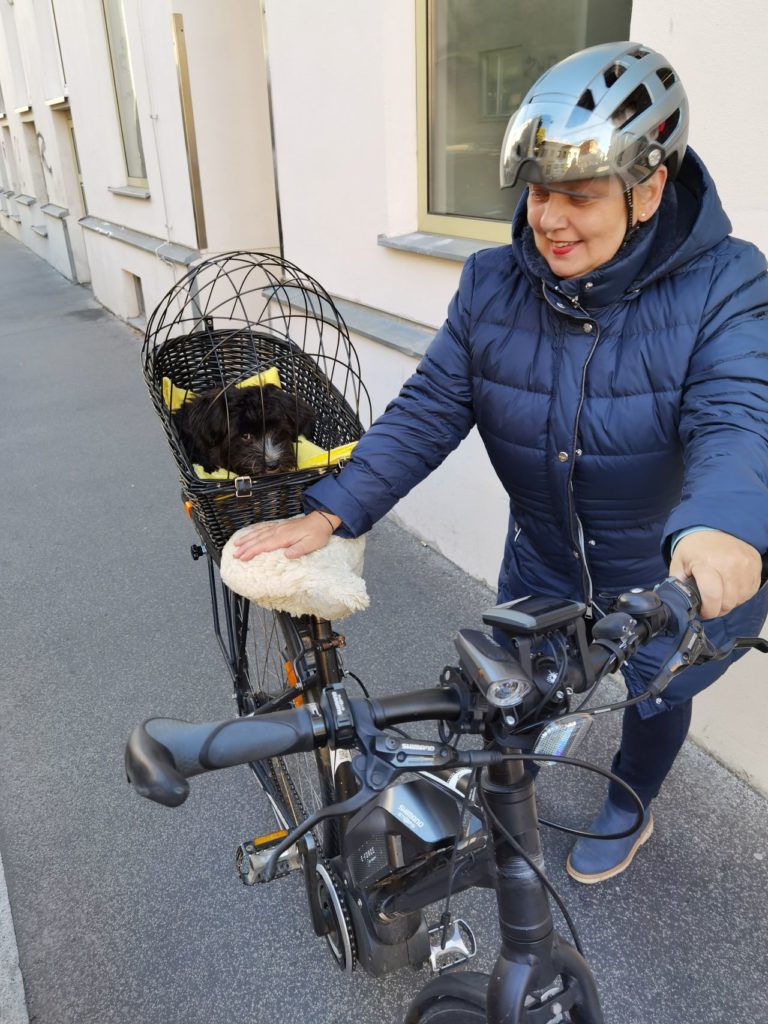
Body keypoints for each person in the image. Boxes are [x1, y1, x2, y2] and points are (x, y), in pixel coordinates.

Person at [233, 41, 768, 883]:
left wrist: (721, 528)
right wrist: (330, 508)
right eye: (538, 191)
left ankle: (629, 803)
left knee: (658, 690)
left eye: (581, 195)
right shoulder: (493, 285)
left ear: (651, 186)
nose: (549, 219)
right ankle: (507, 797)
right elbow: (429, 411)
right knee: (511, 690)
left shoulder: (728, 284)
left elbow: (740, 416)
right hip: (547, 556)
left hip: (665, 566)